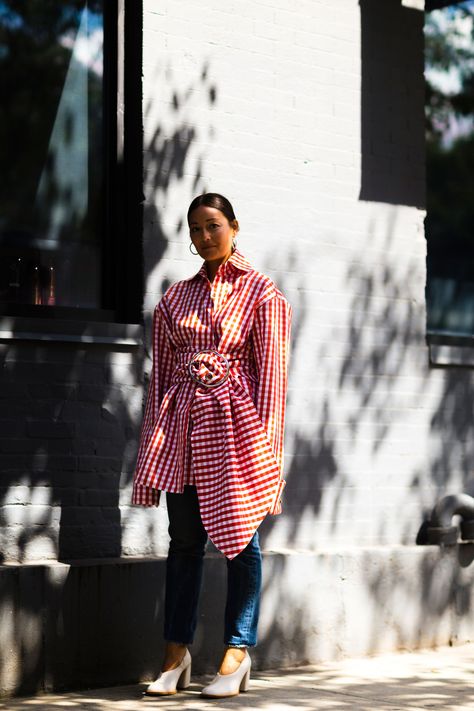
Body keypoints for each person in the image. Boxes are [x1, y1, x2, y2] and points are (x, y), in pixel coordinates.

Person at [132, 193, 292, 698]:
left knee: (243, 543)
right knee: (183, 543)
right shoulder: (174, 299)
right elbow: (158, 381)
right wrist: (152, 445)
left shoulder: (263, 294)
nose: (204, 237)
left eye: (213, 226)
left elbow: (271, 384)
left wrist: (268, 457)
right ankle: (176, 656)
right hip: (180, 431)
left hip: (236, 435)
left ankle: (237, 651)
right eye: (195, 229)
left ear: (235, 228)